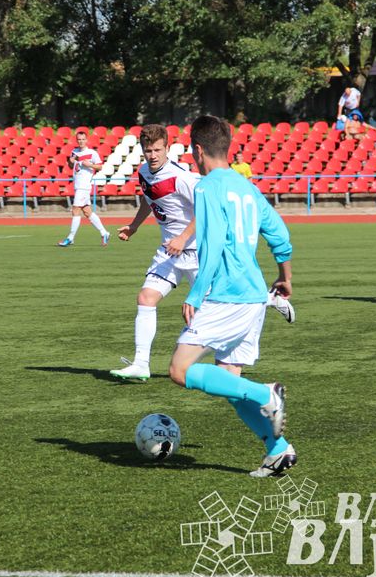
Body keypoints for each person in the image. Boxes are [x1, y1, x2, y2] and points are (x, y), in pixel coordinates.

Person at [167, 114, 296, 478]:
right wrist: (285, 278)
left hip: (228, 295)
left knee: (180, 370)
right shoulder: (247, 187)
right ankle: (278, 450)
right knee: (229, 379)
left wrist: (195, 292)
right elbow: (280, 235)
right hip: (255, 295)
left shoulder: (207, 187)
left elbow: (212, 244)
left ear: (197, 150)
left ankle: (266, 394)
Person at [110, 125, 199, 381]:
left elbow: (206, 209)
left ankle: (270, 299)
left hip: (195, 251)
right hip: (168, 252)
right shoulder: (144, 172)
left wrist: (183, 238)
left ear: (167, 148)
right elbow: (149, 198)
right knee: (146, 298)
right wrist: (135, 225)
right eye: (148, 150)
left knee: (218, 307)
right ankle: (141, 364)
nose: (153, 155)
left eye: (158, 150)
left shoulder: (182, 176)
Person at [57, 131, 111, 247]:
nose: (81, 141)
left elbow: (100, 166)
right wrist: (70, 162)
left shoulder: (92, 153)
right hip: (77, 185)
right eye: (79, 139)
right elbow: (72, 166)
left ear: (87, 140)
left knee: (75, 209)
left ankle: (70, 238)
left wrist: (90, 165)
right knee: (87, 212)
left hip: (84, 186)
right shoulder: (74, 152)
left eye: (83, 139)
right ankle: (104, 233)